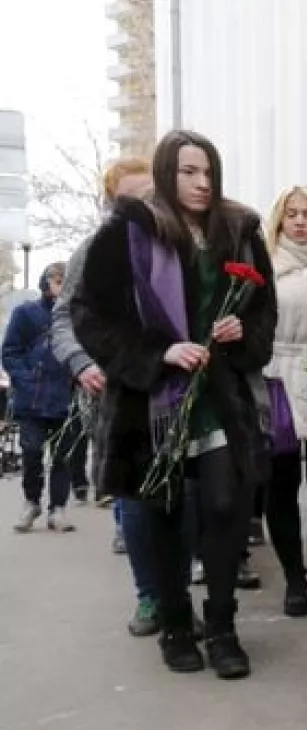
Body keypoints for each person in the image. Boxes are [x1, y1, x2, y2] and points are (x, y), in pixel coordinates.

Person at [72, 129, 277, 680]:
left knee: (225, 508)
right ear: (167, 173)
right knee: (163, 517)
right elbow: (90, 315)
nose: (202, 182)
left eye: (208, 171)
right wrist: (160, 351)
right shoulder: (128, 231)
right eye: (189, 172)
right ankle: (176, 625)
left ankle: (223, 627)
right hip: (151, 405)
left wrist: (243, 330)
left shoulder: (239, 227)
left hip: (220, 397)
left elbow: (265, 313)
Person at [50, 156, 179, 636]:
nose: (145, 203)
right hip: (118, 393)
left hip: (173, 390)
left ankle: (177, 587)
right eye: (132, 195)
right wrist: (83, 364)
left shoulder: (176, 242)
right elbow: (65, 317)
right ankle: (150, 595)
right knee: (135, 498)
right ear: (112, 202)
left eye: (151, 193)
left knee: (180, 494)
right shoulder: (96, 249)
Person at [261, 185, 307, 616]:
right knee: (280, 486)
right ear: (280, 220)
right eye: (293, 214)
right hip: (277, 378)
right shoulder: (267, 266)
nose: (301, 221)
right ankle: (293, 579)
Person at [4, 262, 77, 534]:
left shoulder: (76, 316)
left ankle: (57, 508)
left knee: (62, 457)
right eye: (56, 280)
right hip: (32, 400)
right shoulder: (26, 313)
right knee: (32, 453)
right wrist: (26, 379)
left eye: (64, 281)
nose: (60, 286)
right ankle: (31, 501)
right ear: (45, 283)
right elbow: (10, 351)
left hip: (65, 398)